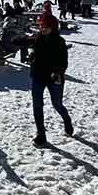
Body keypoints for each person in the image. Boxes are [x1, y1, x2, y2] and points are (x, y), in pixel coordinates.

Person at [30, 13, 72, 147]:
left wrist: (58, 72)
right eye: (41, 26)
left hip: (54, 77)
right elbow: (35, 53)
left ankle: (67, 120)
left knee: (57, 104)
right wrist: (32, 58)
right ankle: (41, 133)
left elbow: (63, 62)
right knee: (37, 105)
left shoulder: (60, 41)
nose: (43, 29)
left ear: (53, 27)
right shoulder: (38, 38)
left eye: (46, 27)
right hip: (38, 76)